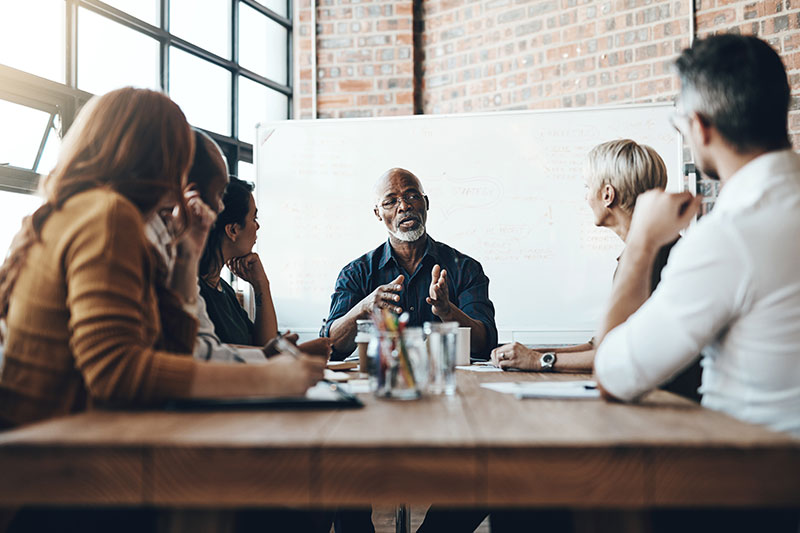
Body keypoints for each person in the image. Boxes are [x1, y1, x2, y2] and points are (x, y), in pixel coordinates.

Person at [593, 34, 800, 532]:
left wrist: (642, 241)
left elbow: (613, 375)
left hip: (748, 493)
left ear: (701, 128)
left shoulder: (729, 236)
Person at [489, 139, 702, 402]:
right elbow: (600, 344)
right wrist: (527, 353)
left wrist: (538, 360)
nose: (586, 197)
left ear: (607, 195)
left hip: (669, 406)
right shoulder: (653, 252)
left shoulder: (652, 259)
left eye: (588, 187)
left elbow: (616, 353)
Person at [322, 167, 498, 360]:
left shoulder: (465, 268)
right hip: (384, 381)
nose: (404, 206)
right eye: (390, 202)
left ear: (426, 203)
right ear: (378, 214)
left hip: (448, 380)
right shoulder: (356, 273)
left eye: (412, 196)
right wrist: (364, 308)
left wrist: (447, 311)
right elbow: (331, 347)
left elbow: (484, 345)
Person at [199, 177, 278, 347]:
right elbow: (264, 353)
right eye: (253, 219)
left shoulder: (223, 289)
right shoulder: (194, 290)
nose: (257, 227)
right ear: (233, 230)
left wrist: (261, 285)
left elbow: (264, 346)